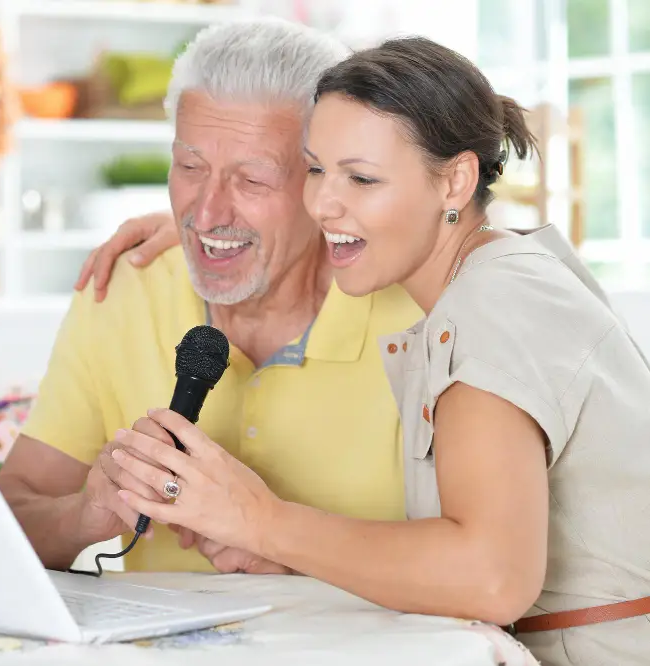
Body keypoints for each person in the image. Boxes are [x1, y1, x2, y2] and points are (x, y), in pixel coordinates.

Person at [88, 36, 650, 666]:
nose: (323, 202)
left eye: (362, 177)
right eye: (316, 169)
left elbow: (493, 577)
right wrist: (223, 226)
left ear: (456, 180)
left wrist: (261, 519)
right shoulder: (500, 276)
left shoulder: (491, 305)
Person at [0, 19, 423, 576]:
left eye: (252, 180)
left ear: (325, 183)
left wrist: (284, 553)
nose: (208, 213)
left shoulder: (415, 310)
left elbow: (480, 565)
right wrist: (87, 515)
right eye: (190, 167)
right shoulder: (125, 286)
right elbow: (5, 518)